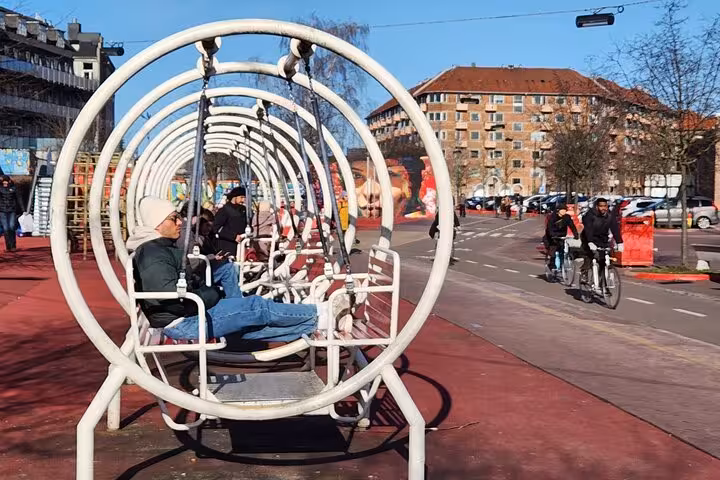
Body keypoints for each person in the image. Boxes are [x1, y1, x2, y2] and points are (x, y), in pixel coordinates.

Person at [126, 196, 350, 341]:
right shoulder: (154, 253)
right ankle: (321, 312)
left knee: (249, 327)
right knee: (254, 306)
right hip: (184, 321)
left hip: (184, 314)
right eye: (173, 219)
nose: (179, 223)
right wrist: (210, 294)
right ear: (157, 224)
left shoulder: (158, 249)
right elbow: (167, 292)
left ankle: (316, 325)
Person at [580, 197, 624, 283]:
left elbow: (615, 228)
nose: (603, 208)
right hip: (589, 237)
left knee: (605, 256)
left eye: (605, 206)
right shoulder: (590, 215)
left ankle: (603, 283)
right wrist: (590, 242)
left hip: (602, 238)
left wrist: (619, 242)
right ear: (596, 207)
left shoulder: (609, 216)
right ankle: (584, 273)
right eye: (601, 206)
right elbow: (588, 229)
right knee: (590, 255)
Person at [213, 187, 248, 258]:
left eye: (244, 197)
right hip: (227, 246)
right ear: (234, 197)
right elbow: (216, 228)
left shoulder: (243, 210)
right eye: (241, 197)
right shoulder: (224, 210)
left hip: (242, 245)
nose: (243, 200)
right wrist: (233, 236)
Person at [543, 204, 579, 271]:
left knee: (562, 250)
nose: (564, 211)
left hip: (561, 236)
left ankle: (562, 265)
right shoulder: (552, 217)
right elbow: (549, 228)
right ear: (558, 211)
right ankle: (552, 265)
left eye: (565, 210)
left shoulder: (567, 217)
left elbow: (572, 226)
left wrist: (576, 234)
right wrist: (552, 235)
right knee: (553, 251)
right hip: (551, 237)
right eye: (562, 210)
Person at [0, 175, 22, 252]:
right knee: (6, 228)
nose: (5, 183)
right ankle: (8, 246)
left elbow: (19, 199)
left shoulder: (14, 189)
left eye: (6, 182)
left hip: (12, 210)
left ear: (9, 181)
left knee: (12, 227)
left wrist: (23, 209)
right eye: (3, 182)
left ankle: (13, 245)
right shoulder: (0, 188)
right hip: (2, 211)